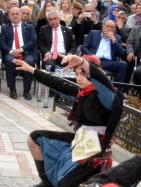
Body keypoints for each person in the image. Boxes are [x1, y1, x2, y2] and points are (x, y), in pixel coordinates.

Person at [14, 54, 124, 187]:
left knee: (63, 183)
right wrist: (32, 69)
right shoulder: (83, 91)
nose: (79, 78)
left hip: (95, 153)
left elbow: (102, 81)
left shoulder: (107, 96)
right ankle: (47, 183)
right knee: (35, 138)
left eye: (83, 74)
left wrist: (83, 62)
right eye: (77, 74)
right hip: (79, 142)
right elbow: (59, 84)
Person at [0, 6, 37, 99]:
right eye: (12, 14)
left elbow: (33, 41)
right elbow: (1, 43)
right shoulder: (5, 28)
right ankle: (12, 89)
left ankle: (26, 90)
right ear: (9, 16)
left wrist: (21, 49)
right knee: (10, 61)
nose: (15, 16)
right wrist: (12, 51)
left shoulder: (29, 27)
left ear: (20, 15)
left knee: (29, 62)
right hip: (11, 53)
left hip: (26, 52)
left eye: (17, 14)